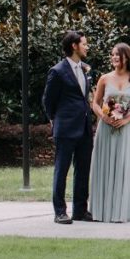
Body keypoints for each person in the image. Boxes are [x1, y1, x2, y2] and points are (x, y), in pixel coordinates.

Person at [42, 30, 95, 224]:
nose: (87, 47)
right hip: (65, 128)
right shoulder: (57, 71)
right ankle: (60, 211)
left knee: (83, 169)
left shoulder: (84, 68)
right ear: (74, 46)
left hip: (84, 127)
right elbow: (48, 100)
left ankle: (80, 210)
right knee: (62, 169)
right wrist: (54, 119)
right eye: (84, 44)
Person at [88, 43, 130, 222]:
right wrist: (103, 117)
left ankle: (123, 211)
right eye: (112, 55)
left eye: (118, 55)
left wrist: (127, 120)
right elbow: (95, 103)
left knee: (124, 166)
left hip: (126, 128)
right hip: (106, 128)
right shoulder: (104, 78)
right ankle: (103, 211)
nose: (114, 58)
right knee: (105, 165)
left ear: (126, 57)